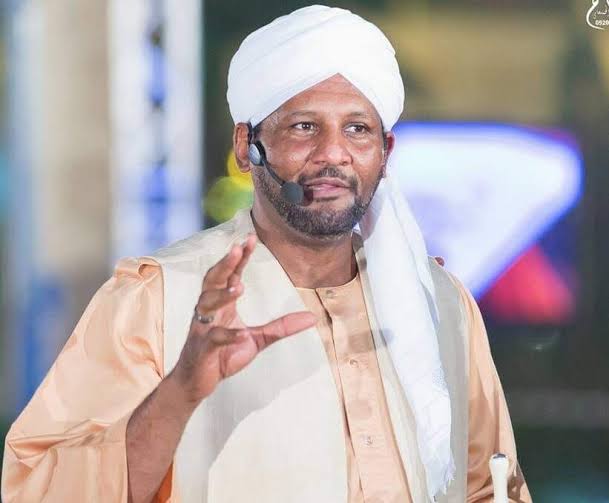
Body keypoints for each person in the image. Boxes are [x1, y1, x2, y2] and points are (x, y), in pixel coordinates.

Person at [2, 5, 532, 503]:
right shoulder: (156, 299)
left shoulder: (440, 303)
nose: (333, 153)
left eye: (357, 129)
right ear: (246, 145)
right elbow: (37, 489)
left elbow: (492, 485)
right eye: (304, 127)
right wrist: (181, 390)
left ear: (385, 152)